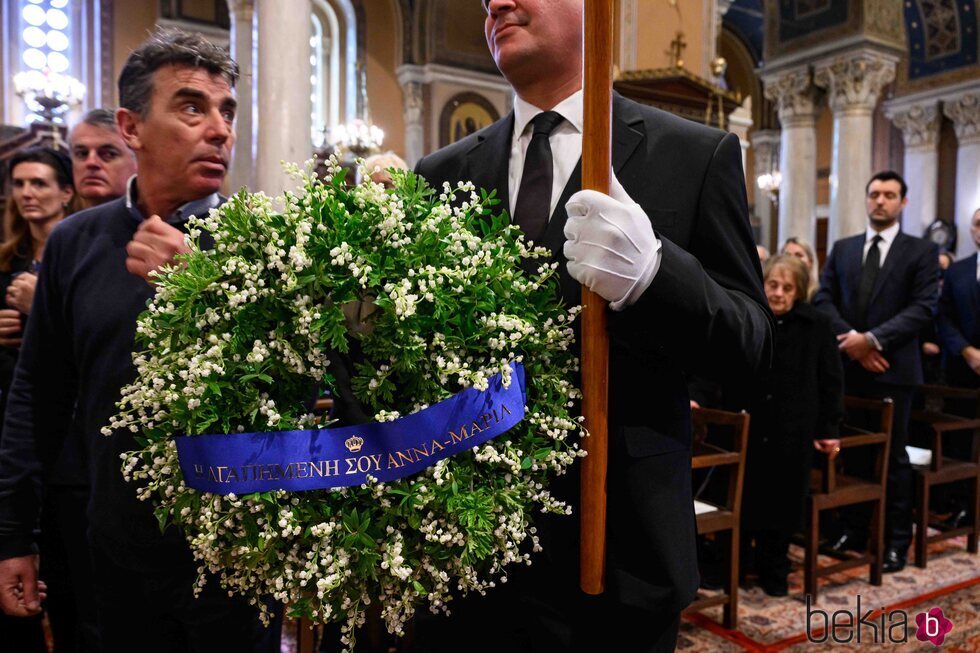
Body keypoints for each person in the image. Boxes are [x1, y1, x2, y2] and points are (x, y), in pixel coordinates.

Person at [414, 1, 772, 650]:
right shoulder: (439, 175)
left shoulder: (692, 155)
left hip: (617, 558)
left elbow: (752, 348)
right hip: (467, 556)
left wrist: (657, 277)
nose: (497, 2)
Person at [0, 29, 279, 653]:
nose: (219, 130)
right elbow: (38, 399)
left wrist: (198, 288)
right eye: (191, 108)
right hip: (117, 552)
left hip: (237, 555)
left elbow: (289, 399)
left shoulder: (266, 241)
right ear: (132, 127)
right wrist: (14, 536)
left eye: (226, 111)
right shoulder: (76, 242)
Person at [813, 170, 939, 574]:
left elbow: (923, 308)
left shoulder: (919, 251)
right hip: (850, 367)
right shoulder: (844, 247)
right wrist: (853, 339)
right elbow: (824, 298)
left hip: (894, 371)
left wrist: (873, 340)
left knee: (894, 458)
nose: (879, 201)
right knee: (854, 456)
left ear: (903, 202)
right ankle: (853, 529)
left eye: (889, 195)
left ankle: (895, 542)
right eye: (874, 194)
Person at [0, 146, 81, 652]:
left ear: (65, 192)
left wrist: (37, 316)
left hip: (67, 433)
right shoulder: (6, 260)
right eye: (21, 184)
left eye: (40, 183)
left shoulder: (79, 252)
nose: (28, 193)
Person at [741, 255, 843, 596]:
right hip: (753, 424)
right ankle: (743, 564)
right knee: (750, 496)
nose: (779, 294)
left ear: (799, 291)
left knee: (783, 502)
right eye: (773, 285)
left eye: (788, 288)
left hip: (794, 429)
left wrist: (829, 431)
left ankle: (776, 569)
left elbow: (831, 382)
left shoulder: (817, 324)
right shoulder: (751, 316)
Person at [936, 209, 980, 529]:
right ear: (971, 229)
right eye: (979, 223)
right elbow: (944, 317)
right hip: (962, 370)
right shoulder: (958, 271)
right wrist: (967, 351)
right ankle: (964, 504)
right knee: (962, 442)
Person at [69, 108, 138, 207]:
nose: (91, 162)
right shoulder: (68, 223)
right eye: (82, 154)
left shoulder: (158, 220)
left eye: (108, 154)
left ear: (138, 162)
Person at [780, 236, 819, 301]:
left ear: (810, 262)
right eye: (787, 255)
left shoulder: (819, 295)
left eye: (798, 255)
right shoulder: (775, 292)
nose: (792, 259)